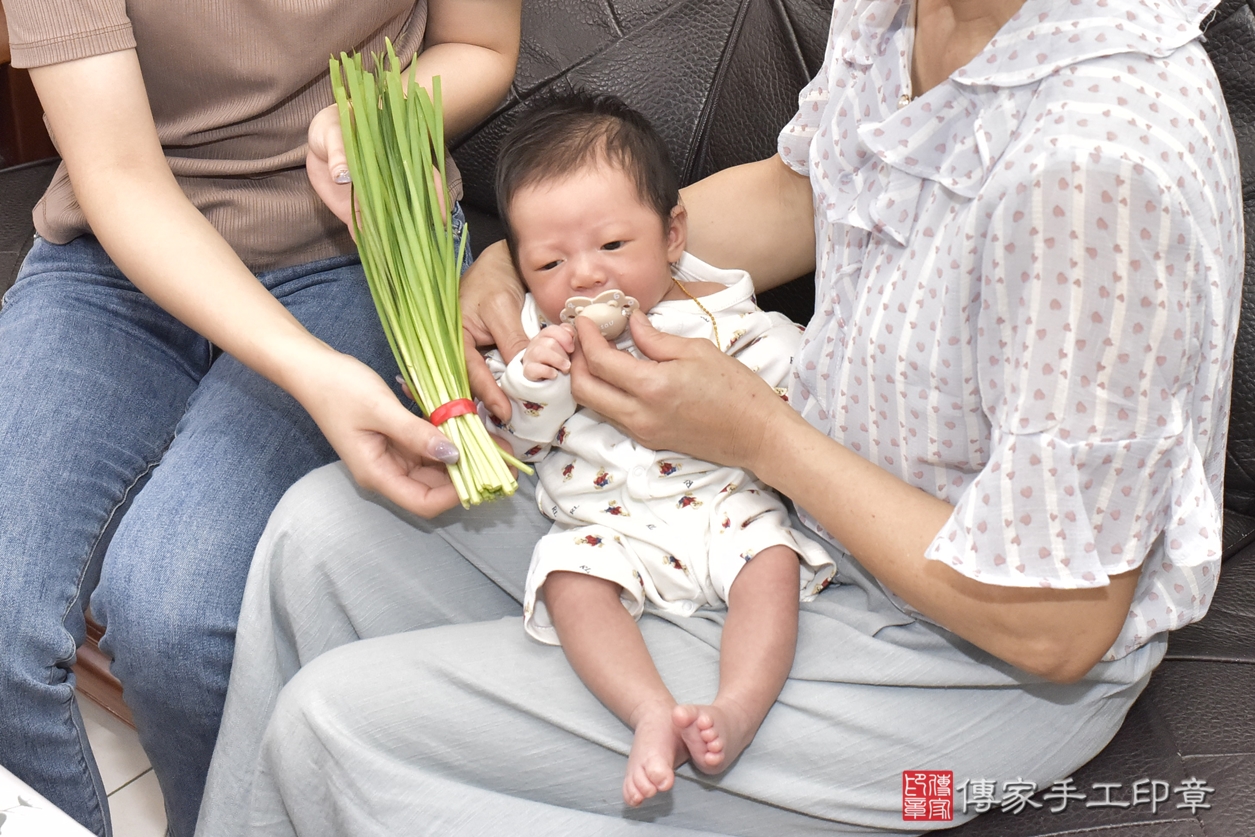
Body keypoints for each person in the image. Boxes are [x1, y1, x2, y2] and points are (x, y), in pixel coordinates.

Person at [196, 0, 1243, 833]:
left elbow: (1056, 626)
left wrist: (759, 436)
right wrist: (533, 268)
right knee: (320, 538)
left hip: (959, 644)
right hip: (781, 506)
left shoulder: (1102, 160)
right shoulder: (904, 12)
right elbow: (803, 195)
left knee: (340, 728)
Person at [0, 1, 519, 835]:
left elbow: (482, 44)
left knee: (178, 616)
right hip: (117, 249)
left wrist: (378, 116)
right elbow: (120, 174)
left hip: (353, 245)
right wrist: (310, 371)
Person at [484, 94, 836, 805]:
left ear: (672, 232)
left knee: (770, 566)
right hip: (605, 523)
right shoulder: (531, 333)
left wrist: (786, 394)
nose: (584, 276)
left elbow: (799, 389)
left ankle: (735, 705)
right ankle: (647, 709)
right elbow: (514, 438)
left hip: (723, 508)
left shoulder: (719, 315)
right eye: (550, 261)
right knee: (569, 579)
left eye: (613, 246)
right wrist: (533, 380)